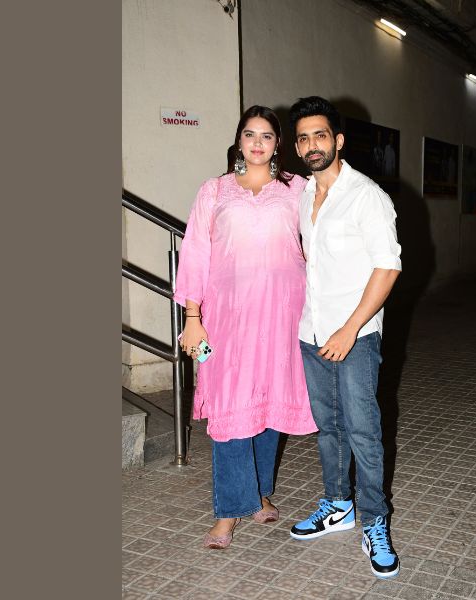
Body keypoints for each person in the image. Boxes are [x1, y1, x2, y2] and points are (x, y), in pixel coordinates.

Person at [173, 105, 318, 550]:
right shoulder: (214, 191)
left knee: (268, 407)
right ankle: (228, 511)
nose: (258, 143)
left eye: (267, 136)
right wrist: (192, 319)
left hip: (282, 315)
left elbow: (320, 242)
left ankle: (258, 494)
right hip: (226, 320)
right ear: (239, 141)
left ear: (278, 144)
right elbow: (195, 254)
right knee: (230, 409)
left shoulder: (297, 188)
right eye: (250, 134)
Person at [287, 96, 402, 579]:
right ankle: (338, 504)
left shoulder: (366, 196)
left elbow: (388, 266)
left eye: (320, 135)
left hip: (355, 336)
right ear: (298, 148)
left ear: (337, 140)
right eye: (303, 138)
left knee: (363, 431)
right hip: (311, 331)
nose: (312, 145)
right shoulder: (301, 195)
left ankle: (375, 521)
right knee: (328, 426)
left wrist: (350, 328)